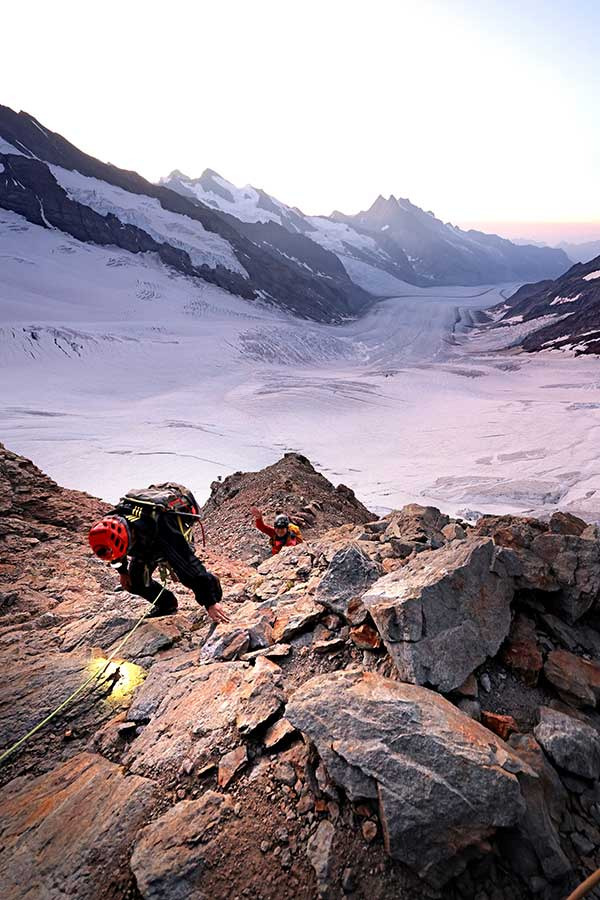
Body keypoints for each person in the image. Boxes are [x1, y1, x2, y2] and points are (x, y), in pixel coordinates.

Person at [88, 483, 229, 622]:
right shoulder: (112, 528)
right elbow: (116, 556)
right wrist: (123, 572)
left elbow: (188, 563)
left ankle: (213, 589)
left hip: (166, 534)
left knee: (185, 575)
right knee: (135, 582)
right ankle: (167, 605)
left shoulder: (160, 527)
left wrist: (210, 602)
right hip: (144, 545)